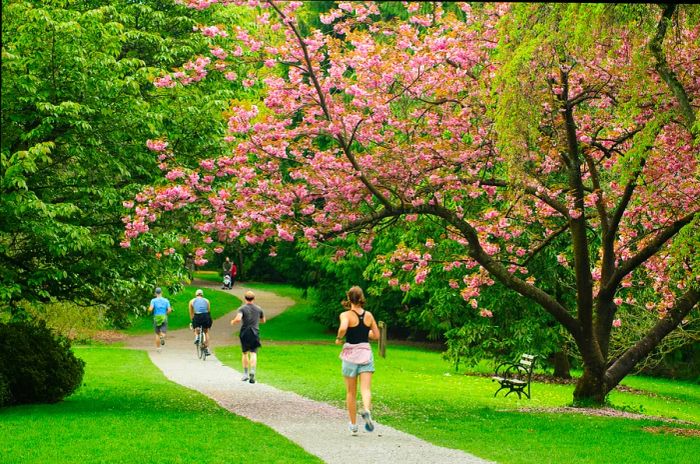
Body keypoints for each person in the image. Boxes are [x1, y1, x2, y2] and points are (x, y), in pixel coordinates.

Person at [335, 286, 380, 435]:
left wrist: (339, 338)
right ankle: (367, 410)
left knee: (350, 392)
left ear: (349, 298)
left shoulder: (345, 315)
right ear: (361, 298)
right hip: (365, 353)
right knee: (366, 389)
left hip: (350, 356)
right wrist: (365, 331)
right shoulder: (369, 315)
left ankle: (353, 425)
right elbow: (376, 335)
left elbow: (343, 329)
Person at [231, 291, 266, 384]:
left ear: (245, 298)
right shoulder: (259, 309)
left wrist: (233, 321)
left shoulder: (242, 309)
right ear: (254, 298)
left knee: (245, 353)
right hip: (255, 332)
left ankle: (246, 374)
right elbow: (263, 320)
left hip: (245, 332)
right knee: (253, 353)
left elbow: (238, 318)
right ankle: (253, 372)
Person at [189, 289, 212, 356]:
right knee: (206, 331)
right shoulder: (207, 301)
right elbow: (208, 311)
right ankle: (207, 348)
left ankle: (197, 336)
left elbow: (191, 313)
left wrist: (192, 321)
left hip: (197, 316)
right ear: (202, 295)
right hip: (205, 316)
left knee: (195, 327)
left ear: (196, 295)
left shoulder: (192, 301)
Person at [148, 287, 172, 352]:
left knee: (157, 334)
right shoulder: (166, 300)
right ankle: (162, 336)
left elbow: (150, 309)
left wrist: (149, 310)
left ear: (155, 293)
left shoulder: (153, 300)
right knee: (163, 332)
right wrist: (165, 313)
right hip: (164, 317)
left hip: (156, 318)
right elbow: (169, 310)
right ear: (161, 292)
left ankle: (158, 348)